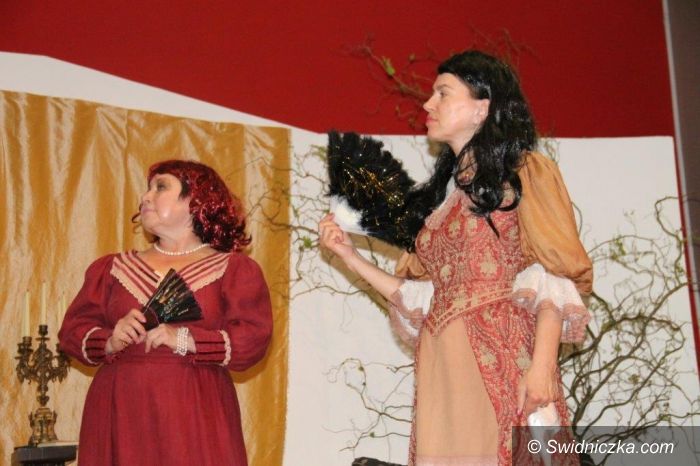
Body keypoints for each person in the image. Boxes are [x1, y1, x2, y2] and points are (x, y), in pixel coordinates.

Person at [320, 50, 592, 466]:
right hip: (441, 366)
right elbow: (420, 298)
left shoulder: (525, 173)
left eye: (443, 93)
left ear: (483, 107)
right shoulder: (440, 200)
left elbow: (552, 274)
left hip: (500, 354)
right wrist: (348, 255)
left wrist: (540, 369)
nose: (428, 104)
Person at [58, 160, 273, 466]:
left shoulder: (233, 269)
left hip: (195, 409)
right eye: (147, 189)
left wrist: (188, 340)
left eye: (160, 187)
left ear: (196, 199)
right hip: (121, 408)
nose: (145, 197)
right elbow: (72, 331)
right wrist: (109, 340)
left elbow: (253, 338)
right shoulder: (112, 268)